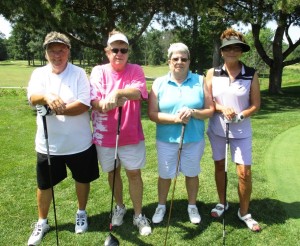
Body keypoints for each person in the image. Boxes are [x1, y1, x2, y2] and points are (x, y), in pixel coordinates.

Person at [27, 31, 100, 245]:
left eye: (61, 50)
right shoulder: (39, 74)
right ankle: (42, 221)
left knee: (82, 179)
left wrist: (56, 110)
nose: (56, 55)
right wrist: (47, 96)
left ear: (68, 51)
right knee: (44, 184)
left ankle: (81, 212)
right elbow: (32, 97)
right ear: (46, 52)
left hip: (79, 143)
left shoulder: (78, 74)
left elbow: (84, 104)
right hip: (48, 144)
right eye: (52, 51)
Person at [90, 30, 151, 236]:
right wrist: (104, 104)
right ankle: (119, 206)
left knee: (134, 173)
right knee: (113, 172)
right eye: (114, 49)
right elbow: (95, 101)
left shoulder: (135, 70)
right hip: (104, 135)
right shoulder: (98, 71)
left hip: (130, 134)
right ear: (108, 52)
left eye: (123, 49)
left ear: (128, 52)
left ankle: (138, 214)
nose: (119, 53)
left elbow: (138, 92)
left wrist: (117, 93)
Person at [148, 43, 214, 224]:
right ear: (169, 62)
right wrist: (175, 119)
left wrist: (193, 112)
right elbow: (152, 114)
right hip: (167, 139)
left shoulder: (200, 81)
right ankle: (161, 205)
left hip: (193, 138)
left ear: (189, 61)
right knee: (165, 174)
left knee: (192, 173)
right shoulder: (159, 83)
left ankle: (192, 206)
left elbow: (210, 110)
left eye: (183, 59)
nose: (179, 62)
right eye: (175, 59)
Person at [206, 28, 261, 232]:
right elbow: (208, 100)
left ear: (241, 51)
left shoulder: (251, 74)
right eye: (228, 48)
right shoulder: (212, 73)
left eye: (236, 48)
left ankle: (244, 212)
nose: (232, 51)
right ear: (222, 51)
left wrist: (241, 114)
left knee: (244, 172)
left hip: (241, 131)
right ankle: (222, 203)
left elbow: (256, 104)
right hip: (217, 129)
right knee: (220, 166)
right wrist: (221, 108)